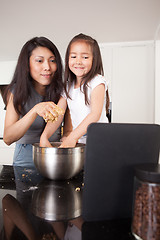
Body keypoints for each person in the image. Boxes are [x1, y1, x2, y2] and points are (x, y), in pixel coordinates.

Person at [40, 33, 109, 148]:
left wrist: (72, 136)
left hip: (100, 140)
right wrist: (44, 136)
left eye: (85, 57)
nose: (78, 61)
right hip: (81, 141)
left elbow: (94, 115)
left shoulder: (97, 82)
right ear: (67, 59)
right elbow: (58, 114)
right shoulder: (68, 87)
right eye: (73, 56)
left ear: (94, 60)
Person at [3, 37, 64, 166]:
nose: (47, 67)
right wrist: (35, 110)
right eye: (39, 61)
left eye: (52, 61)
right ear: (27, 64)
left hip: (55, 154)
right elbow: (8, 138)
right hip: (25, 157)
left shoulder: (63, 92)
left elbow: (69, 130)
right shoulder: (16, 91)